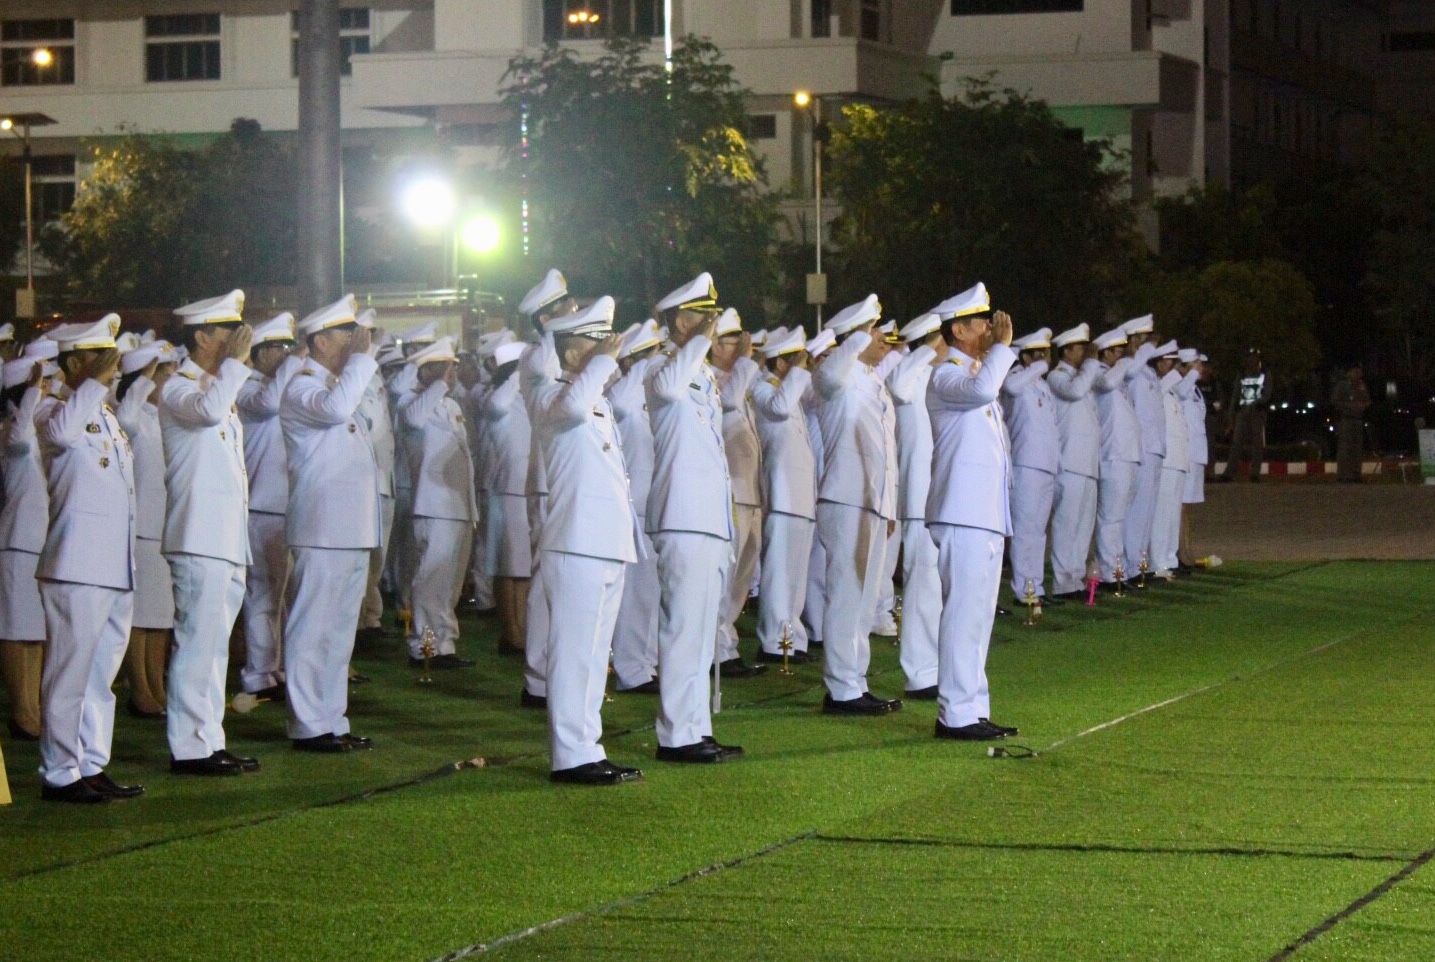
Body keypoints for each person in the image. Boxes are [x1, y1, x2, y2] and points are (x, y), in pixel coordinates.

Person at [531, 296, 643, 785]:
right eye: (596, 341)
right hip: (576, 541)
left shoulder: (592, 397)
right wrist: (600, 366)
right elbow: (572, 409)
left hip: (605, 541)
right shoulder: (548, 393)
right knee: (575, 652)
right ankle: (570, 754)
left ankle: (586, 748)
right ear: (571, 350)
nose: (607, 349)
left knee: (596, 655)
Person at [36, 315, 143, 802]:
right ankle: (60, 771)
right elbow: (59, 436)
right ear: (74, 363)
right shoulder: (50, 410)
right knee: (70, 672)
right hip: (76, 564)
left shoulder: (104, 415)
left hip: (113, 565)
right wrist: (92, 384)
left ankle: (91, 763)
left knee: (100, 676)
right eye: (99, 361)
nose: (111, 370)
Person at [646, 272, 744, 762]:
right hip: (682, 516)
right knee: (683, 627)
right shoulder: (664, 368)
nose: (712, 326)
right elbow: (665, 390)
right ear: (680, 321)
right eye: (703, 318)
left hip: (706, 518)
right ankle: (676, 734)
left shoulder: (699, 373)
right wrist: (697, 341)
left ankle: (695, 726)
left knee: (702, 629)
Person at [161, 289, 258, 777]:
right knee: (197, 642)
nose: (238, 339)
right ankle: (189, 746)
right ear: (201, 337)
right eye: (227, 331)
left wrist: (231, 368)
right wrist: (237, 364)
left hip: (223, 537)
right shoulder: (179, 388)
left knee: (215, 645)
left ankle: (209, 739)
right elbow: (209, 412)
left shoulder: (217, 386)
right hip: (197, 535)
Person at [281, 294, 380, 754]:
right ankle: (307, 723)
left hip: (349, 529)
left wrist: (356, 362)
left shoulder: (340, 384)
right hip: (322, 529)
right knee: (312, 626)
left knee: (339, 631)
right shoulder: (302, 387)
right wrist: (361, 360)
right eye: (346, 334)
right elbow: (337, 410)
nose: (355, 341)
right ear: (320, 342)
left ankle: (331, 718)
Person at [925, 284, 1020, 742]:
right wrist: (1002, 347)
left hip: (983, 514)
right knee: (963, 614)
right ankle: (954, 713)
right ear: (958, 329)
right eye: (980, 321)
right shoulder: (946, 374)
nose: (989, 328)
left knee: (979, 616)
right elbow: (982, 391)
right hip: (961, 512)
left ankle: (972, 707)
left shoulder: (978, 372)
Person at [814, 294, 902, 716]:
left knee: (865, 599)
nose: (883, 338)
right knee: (847, 595)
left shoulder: (871, 380)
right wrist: (852, 340)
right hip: (845, 497)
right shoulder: (836, 375)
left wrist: (888, 506)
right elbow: (831, 372)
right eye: (875, 331)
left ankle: (854, 681)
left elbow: (886, 450)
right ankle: (841, 687)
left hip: (871, 502)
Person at [398, 335, 478, 668]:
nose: (452, 373)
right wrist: (437, 386)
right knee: (430, 579)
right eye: (445, 367)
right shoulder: (411, 401)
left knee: (450, 583)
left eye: (453, 367)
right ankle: (424, 646)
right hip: (431, 505)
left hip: (457, 507)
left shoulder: (451, 405)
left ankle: (444, 644)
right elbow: (415, 419)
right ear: (427, 370)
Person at [517, 269, 577, 710]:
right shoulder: (541, 357)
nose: (575, 311)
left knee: (559, 577)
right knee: (545, 579)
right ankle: (538, 676)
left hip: (563, 477)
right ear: (545, 320)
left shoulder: (556, 352)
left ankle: (549, 671)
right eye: (565, 308)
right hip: (547, 479)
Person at [236, 313, 300, 703]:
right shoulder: (246, 386)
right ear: (258, 354)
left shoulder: (279, 385)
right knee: (261, 594)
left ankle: (273, 667)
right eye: (277, 348)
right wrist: (296, 362)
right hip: (259, 505)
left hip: (283, 505)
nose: (284, 355)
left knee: (280, 596)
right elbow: (270, 405)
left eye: (286, 348)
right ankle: (257, 673)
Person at [114, 341, 179, 720]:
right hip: (140, 527)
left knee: (161, 617)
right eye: (163, 375)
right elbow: (124, 420)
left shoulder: (162, 417)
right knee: (140, 618)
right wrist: (141, 382)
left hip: (166, 525)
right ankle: (140, 687)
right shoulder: (134, 414)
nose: (169, 381)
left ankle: (156, 682)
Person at [886, 313, 945, 697]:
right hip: (918, 500)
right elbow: (897, 383)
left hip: (937, 499)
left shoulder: (935, 378)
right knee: (922, 585)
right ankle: (920, 672)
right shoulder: (909, 376)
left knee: (935, 589)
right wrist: (926, 349)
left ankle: (934, 667)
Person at [750, 328, 816, 663]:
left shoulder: (789, 390)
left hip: (800, 495)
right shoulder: (763, 388)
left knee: (795, 575)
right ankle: (774, 639)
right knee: (778, 572)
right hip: (780, 492)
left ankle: (792, 638)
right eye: (797, 362)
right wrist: (800, 372)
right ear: (780, 366)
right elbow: (778, 409)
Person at [710, 308, 767, 678]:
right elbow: (727, 403)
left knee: (742, 576)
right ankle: (716, 647)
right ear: (715, 346)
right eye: (734, 342)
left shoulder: (737, 381)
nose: (742, 349)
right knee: (725, 575)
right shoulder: (713, 380)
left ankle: (726, 643)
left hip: (750, 491)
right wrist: (745, 363)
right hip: (729, 493)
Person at [608, 320, 663, 692]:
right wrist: (644, 362)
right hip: (633, 505)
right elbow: (621, 405)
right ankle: (632, 669)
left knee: (652, 593)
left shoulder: (645, 394)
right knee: (635, 595)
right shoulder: (620, 392)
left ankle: (647, 663)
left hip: (654, 504)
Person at [0, 357, 53, 741]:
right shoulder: (11, 428)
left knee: (35, 631)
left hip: (40, 541)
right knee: (16, 630)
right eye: (41, 383)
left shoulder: (36, 426)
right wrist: (33, 391)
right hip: (16, 540)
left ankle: (33, 705)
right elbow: (18, 440)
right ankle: (21, 710)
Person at [479, 339, 534, 659]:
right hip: (506, 490)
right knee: (507, 566)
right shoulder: (497, 397)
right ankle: (510, 632)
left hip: (525, 490)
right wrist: (514, 375)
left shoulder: (526, 398)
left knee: (523, 568)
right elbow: (498, 405)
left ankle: (522, 629)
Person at [1001, 327, 1058, 604]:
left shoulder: (1042, 386)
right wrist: (1034, 368)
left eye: (1045, 355)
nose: (1044, 361)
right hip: (1025, 464)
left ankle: (1035, 586)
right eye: (1038, 355)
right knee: (1025, 531)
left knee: (1038, 532)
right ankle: (1023, 589)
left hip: (1046, 465)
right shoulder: (1015, 379)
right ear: (1024, 358)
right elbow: (1010, 388)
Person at [1046, 324, 1101, 600]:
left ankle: (1076, 578)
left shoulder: (1081, 376)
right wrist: (1092, 362)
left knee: (1083, 525)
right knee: (1067, 524)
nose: (1084, 353)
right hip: (1069, 462)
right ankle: (1062, 580)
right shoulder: (1058, 377)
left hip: (1087, 463)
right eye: (1079, 348)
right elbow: (1076, 391)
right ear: (1066, 350)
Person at [356, 310, 398, 644]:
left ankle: (371, 617)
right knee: (364, 555)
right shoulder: (352, 374)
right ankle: (361, 621)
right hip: (366, 481)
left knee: (377, 556)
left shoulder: (374, 374)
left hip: (384, 478)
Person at [1091, 327, 1139, 587]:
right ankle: (1110, 573)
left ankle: (1116, 568)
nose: (1122, 357)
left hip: (1126, 454)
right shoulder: (1099, 375)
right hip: (1112, 454)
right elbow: (1107, 384)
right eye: (1117, 352)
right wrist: (1125, 361)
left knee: (1119, 518)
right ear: (1106, 353)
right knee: (1110, 518)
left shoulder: (1116, 376)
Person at [1122, 315, 1164, 580]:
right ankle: (1128, 565)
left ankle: (1140, 563)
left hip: (1155, 445)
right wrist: (1147, 349)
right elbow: (1128, 371)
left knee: (1147, 510)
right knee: (1136, 510)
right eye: (1141, 339)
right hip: (1141, 446)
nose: (1145, 345)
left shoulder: (1146, 370)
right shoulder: (1129, 366)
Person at [801, 328, 835, 650]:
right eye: (827, 357)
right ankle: (814, 626)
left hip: (826, 476)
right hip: (811, 479)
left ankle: (822, 623)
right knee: (814, 556)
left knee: (825, 555)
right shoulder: (811, 385)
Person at [1148, 341, 1191, 579]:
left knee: (1172, 513)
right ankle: (1157, 562)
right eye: (1169, 362)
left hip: (1178, 459)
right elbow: (1160, 389)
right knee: (1162, 514)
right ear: (1160, 363)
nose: (1173, 368)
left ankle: (1169, 558)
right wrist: (1178, 373)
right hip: (1166, 460)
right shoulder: (1157, 386)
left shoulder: (1171, 391)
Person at [1220, 348, 1273, 482]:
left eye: (1254, 357)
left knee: (1257, 445)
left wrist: (1255, 404)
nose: (1252, 360)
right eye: (1250, 357)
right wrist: (1231, 416)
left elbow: (1267, 395)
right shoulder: (1242, 373)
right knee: (1236, 443)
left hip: (1257, 413)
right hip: (1242, 413)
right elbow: (1235, 395)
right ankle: (1229, 473)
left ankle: (1255, 473)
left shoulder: (1265, 373)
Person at [1178, 349, 1209, 568]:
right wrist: (1188, 375)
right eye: (1196, 365)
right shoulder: (1180, 387)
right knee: (1181, 508)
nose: (1200, 369)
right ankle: (1180, 553)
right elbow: (1180, 392)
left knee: (1187, 507)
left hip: (1197, 453)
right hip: (1186, 454)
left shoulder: (1195, 389)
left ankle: (1186, 550)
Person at [1332, 365, 1370, 484]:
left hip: (1358, 420)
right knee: (1345, 449)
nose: (1358, 374)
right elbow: (1335, 401)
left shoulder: (1362, 385)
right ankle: (1343, 475)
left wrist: (1363, 405)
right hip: (1346, 419)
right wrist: (1348, 406)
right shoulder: (1342, 386)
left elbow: (1367, 400)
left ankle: (1356, 475)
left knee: (1357, 448)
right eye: (1356, 372)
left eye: (1359, 372)